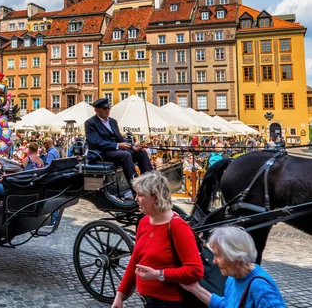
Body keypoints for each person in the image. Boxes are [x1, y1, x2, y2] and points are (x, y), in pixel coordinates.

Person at [112, 172, 204, 308]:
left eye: (141, 195)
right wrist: (120, 295)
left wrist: (158, 274)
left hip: (170, 303)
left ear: (156, 197)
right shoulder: (144, 222)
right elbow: (135, 260)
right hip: (147, 300)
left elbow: (195, 271)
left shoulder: (177, 227)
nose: (136, 199)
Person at [181, 226, 286, 308]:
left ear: (236, 257)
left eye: (218, 256)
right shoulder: (233, 276)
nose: (214, 261)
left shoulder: (260, 287)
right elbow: (228, 305)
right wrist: (195, 288)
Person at [85, 98, 153, 194]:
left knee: (141, 152)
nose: (107, 110)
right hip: (101, 153)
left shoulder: (113, 121)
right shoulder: (90, 123)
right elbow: (96, 142)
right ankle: (136, 190)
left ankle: (150, 183)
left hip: (115, 151)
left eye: (108, 108)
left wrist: (132, 146)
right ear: (96, 109)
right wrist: (117, 145)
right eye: (104, 108)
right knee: (125, 155)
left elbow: (120, 138)